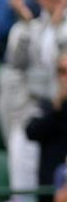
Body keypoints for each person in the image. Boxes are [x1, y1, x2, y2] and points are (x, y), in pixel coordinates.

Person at [0, 0, 67, 201]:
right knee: (22, 170)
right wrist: (28, 23)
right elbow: (16, 63)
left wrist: (55, 30)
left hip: (64, 111)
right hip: (33, 107)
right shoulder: (25, 27)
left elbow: (60, 62)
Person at [26, 50, 67, 193]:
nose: (65, 78)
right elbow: (31, 132)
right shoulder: (47, 103)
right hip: (50, 188)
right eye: (62, 71)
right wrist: (56, 109)